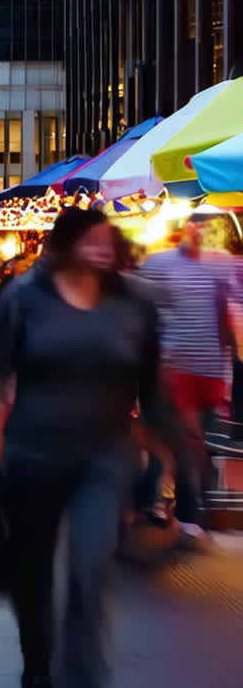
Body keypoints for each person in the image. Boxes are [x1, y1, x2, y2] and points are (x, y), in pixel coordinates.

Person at [0, 207, 161, 688]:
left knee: (90, 571)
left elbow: (150, 377)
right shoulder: (24, 296)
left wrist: (157, 440)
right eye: (91, 241)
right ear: (64, 248)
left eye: (110, 241)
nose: (104, 250)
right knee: (34, 567)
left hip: (103, 460)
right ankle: (37, 665)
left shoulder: (134, 302)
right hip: (32, 454)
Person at [140, 222, 231, 531]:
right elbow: (144, 317)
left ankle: (189, 517)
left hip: (210, 371)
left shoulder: (220, 266)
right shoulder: (157, 265)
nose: (200, 230)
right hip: (171, 371)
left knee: (199, 447)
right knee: (175, 447)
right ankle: (166, 513)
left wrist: (227, 365)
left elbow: (223, 317)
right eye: (195, 223)